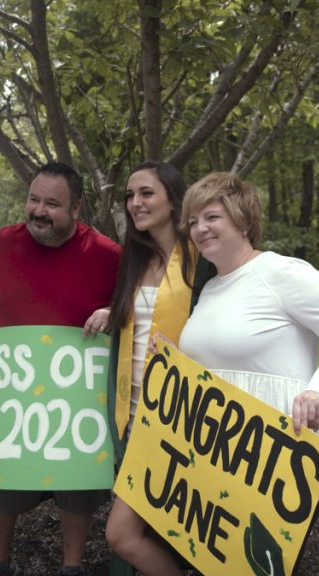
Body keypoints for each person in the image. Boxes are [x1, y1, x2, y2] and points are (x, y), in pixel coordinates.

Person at [0, 161, 121, 576]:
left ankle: (71, 567)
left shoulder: (107, 254)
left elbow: (133, 301)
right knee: (1, 481)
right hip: (11, 392)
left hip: (76, 396)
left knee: (78, 483)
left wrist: (110, 309)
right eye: (33, 199)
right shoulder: (2, 243)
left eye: (52, 203)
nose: (38, 210)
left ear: (77, 208)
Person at [178, 171, 319, 519]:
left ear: (243, 222)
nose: (200, 228)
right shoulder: (208, 289)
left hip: (278, 453)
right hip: (214, 450)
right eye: (193, 221)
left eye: (212, 217)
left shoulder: (279, 272)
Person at [97, 162, 211, 576]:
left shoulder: (201, 258)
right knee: (133, 530)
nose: (135, 203)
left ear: (173, 200)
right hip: (132, 413)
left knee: (151, 529)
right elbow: (142, 315)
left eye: (146, 193)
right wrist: (112, 311)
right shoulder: (135, 258)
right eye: (130, 195)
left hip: (180, 417)